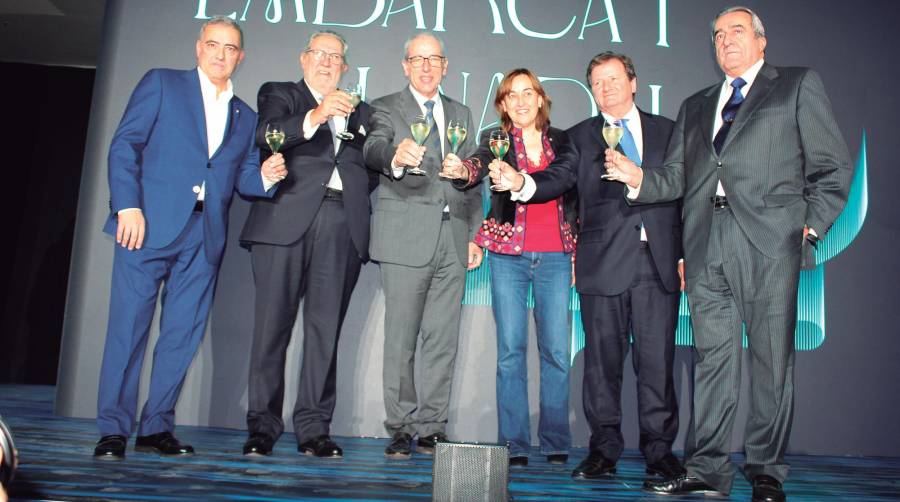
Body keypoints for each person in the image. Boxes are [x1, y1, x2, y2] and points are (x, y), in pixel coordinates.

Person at [603, 7, 853, 501]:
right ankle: (708, 470)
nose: (726, 41)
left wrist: (808, 230)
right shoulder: (697, 104)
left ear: (762, 40)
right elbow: (676, 177)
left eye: (736, 31)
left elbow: (832, 166)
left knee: (770, 362)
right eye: (718, 35)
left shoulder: (796, 85)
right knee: (711, 362)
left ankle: (765, 470)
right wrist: (638, 178)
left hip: (769, 243)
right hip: (705, 246)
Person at [93, 16, 286, 460]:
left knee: (181, 336)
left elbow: (242, 178)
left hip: (204, 238)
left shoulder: (245, 116)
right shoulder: (162, 84)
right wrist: (128, 205)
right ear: (199, 47)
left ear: (241, 56)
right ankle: (113, 431)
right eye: (214, 45)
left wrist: (267, 177)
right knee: (128, 332)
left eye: (231, 48)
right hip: (145, 227)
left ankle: (156, 427)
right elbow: (125, 144)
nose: (221, 54)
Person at [490, 53, 685, 481]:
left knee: (657, 364)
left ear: (634, 83)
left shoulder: (669, 131)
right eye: (597, 83)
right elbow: (557, 178)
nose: (606, 88)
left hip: (658, 264)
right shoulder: (578, 137)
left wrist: (686, 252)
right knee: (602, 367)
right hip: (602, 265)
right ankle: (603, 451)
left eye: (614, 79)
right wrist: (524, 183)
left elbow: (686, 193)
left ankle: (660, 452)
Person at [238, 30, 373, 459]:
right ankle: (262, 427)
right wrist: (316, 115)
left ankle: (314, 428)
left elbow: (369, 165)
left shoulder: (361, 111)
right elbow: (266, 133)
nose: (327, 62)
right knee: (271, 329)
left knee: (324, 333)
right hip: (284, 221)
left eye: (336, 57)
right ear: (304, 58)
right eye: (320, 54)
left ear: (345, 68)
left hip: (340, 223)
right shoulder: (280, 94)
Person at [440, 69, 576, 467]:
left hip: (555, 255)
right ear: (502, 104)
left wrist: (522, 179)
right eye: (510, 95)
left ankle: (555, 440)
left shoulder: (564, 140)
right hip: (508, 257)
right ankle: (514, 444)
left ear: (540, 98)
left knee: (555, 351)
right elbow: (480, 163)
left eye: (527, 92)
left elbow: (566, 180)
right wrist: (465, 171)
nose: (520, 101)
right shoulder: (495, 139)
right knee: (510, 353)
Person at [363, 32, 483, 459]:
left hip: (453, 241)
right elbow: (374, 147)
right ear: (405, 65)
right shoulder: (384, 107)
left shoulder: (461, 112)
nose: (427, 67)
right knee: (401, 340)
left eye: (434, 59)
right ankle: (400, 426)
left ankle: (432, 426)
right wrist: (396, 157)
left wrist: (473, 235)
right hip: (405, 237)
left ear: (446, 66)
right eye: (418, 59)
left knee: (442, 340)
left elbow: (474, 178)